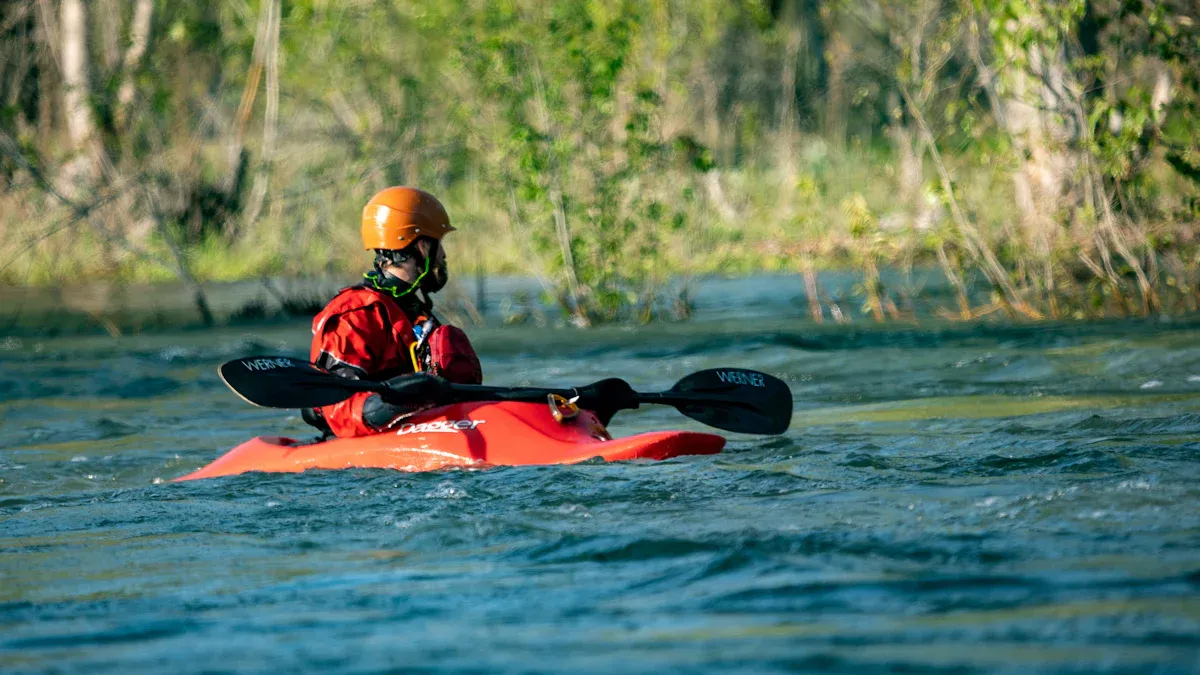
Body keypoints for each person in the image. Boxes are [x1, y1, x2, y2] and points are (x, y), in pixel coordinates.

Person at [303, 186, 483, 438]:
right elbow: (338, 407)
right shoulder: (355, 314)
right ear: (421, 247)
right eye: (438, 244)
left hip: (423, 433)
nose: (443, 255)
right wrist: (400, 401)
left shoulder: (414, 311)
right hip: (363, 460)